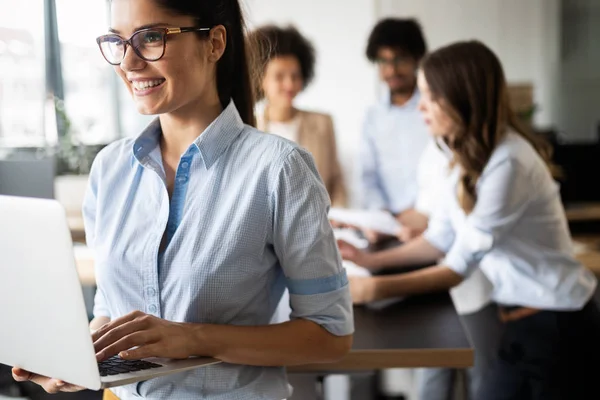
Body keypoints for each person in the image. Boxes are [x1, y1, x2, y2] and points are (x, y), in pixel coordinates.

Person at [12, 0, 354, 399]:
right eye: (119, 42)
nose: (129, 63)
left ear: (214, 43)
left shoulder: (280, 169)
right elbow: (110, 304)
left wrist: (192, 338)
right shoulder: (109, 169)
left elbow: (330, 335)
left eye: (151, 37)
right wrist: (80, 357)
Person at [340, 40, 600, 400]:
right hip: (521, 317)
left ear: (462, 98)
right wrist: (370, 261)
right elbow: (441, 237)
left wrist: (375, 288)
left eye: (430, 96)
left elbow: (458, 265)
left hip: (557, 321)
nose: (421, 107)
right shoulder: (461, 154)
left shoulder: (508, 163)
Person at [250, 25, 347, 207]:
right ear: (261, 80)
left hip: (319, 225)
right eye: (279, 76)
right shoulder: (248, 127)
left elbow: (336, 181)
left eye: (295, 76)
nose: (289, 84)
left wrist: (339, 217)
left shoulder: (323, 123)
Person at [360, 18, 430, 242]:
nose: (391, 70)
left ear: (417, 59)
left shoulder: (434, 109)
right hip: (387, 227)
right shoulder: (373, 117)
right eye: (383, 61)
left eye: (399, 60)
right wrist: (381, 214)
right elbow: (367, 177)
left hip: (431, 221)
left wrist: (418, 212)